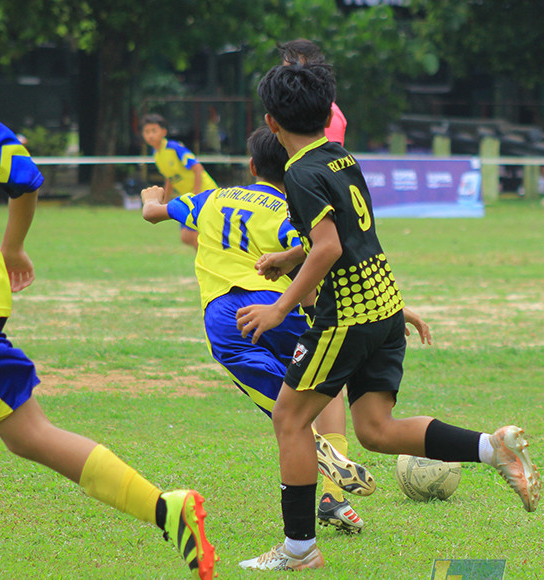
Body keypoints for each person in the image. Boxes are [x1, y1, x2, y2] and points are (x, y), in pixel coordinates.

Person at [234, 62, 541, 572]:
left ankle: (299, 550)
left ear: (271, 122)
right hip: (383, 307)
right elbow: (349, 236)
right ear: (326, 114)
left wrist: (279, 307)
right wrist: (290, 258)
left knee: (289, 418)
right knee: (376, 429)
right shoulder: (340, 158)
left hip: (347, 317)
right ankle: (494, 449)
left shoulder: (299, 173)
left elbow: (329, 247)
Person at [0, 100, 216, 580]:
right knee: (27, 435)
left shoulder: (176, 153)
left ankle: (164, 508)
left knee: (30, 433)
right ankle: (165, 509)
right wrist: (11, 247)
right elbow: (25, 175)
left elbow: (193, 173)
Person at [140, 125, 400, 533]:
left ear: (252, 166)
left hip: (232, 315)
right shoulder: (291, 211)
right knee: (324, 384)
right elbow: (319, 252)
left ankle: (318, 450)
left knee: (284, 409)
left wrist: (151, 197)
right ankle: (332, 488)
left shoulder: (215, 198)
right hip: (283, 309)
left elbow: (154, 213)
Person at [140, 113, 218, 249]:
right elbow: (170, 178)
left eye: (154, 131)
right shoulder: (157, 155)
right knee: (187, 236)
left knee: (192, 235)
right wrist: (164, 201)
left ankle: (208, 260)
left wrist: (196, 194)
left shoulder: (174, 148)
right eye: (147, 132)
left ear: (163, 132)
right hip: (189, 198)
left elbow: (198, 168)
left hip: (205, 194)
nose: (150, 135)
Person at [277, 39, 347, 145]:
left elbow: (325, 154)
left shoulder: (327, 115)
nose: (290, 78)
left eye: (297, 71)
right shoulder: (287, 110)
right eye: (286, 71)